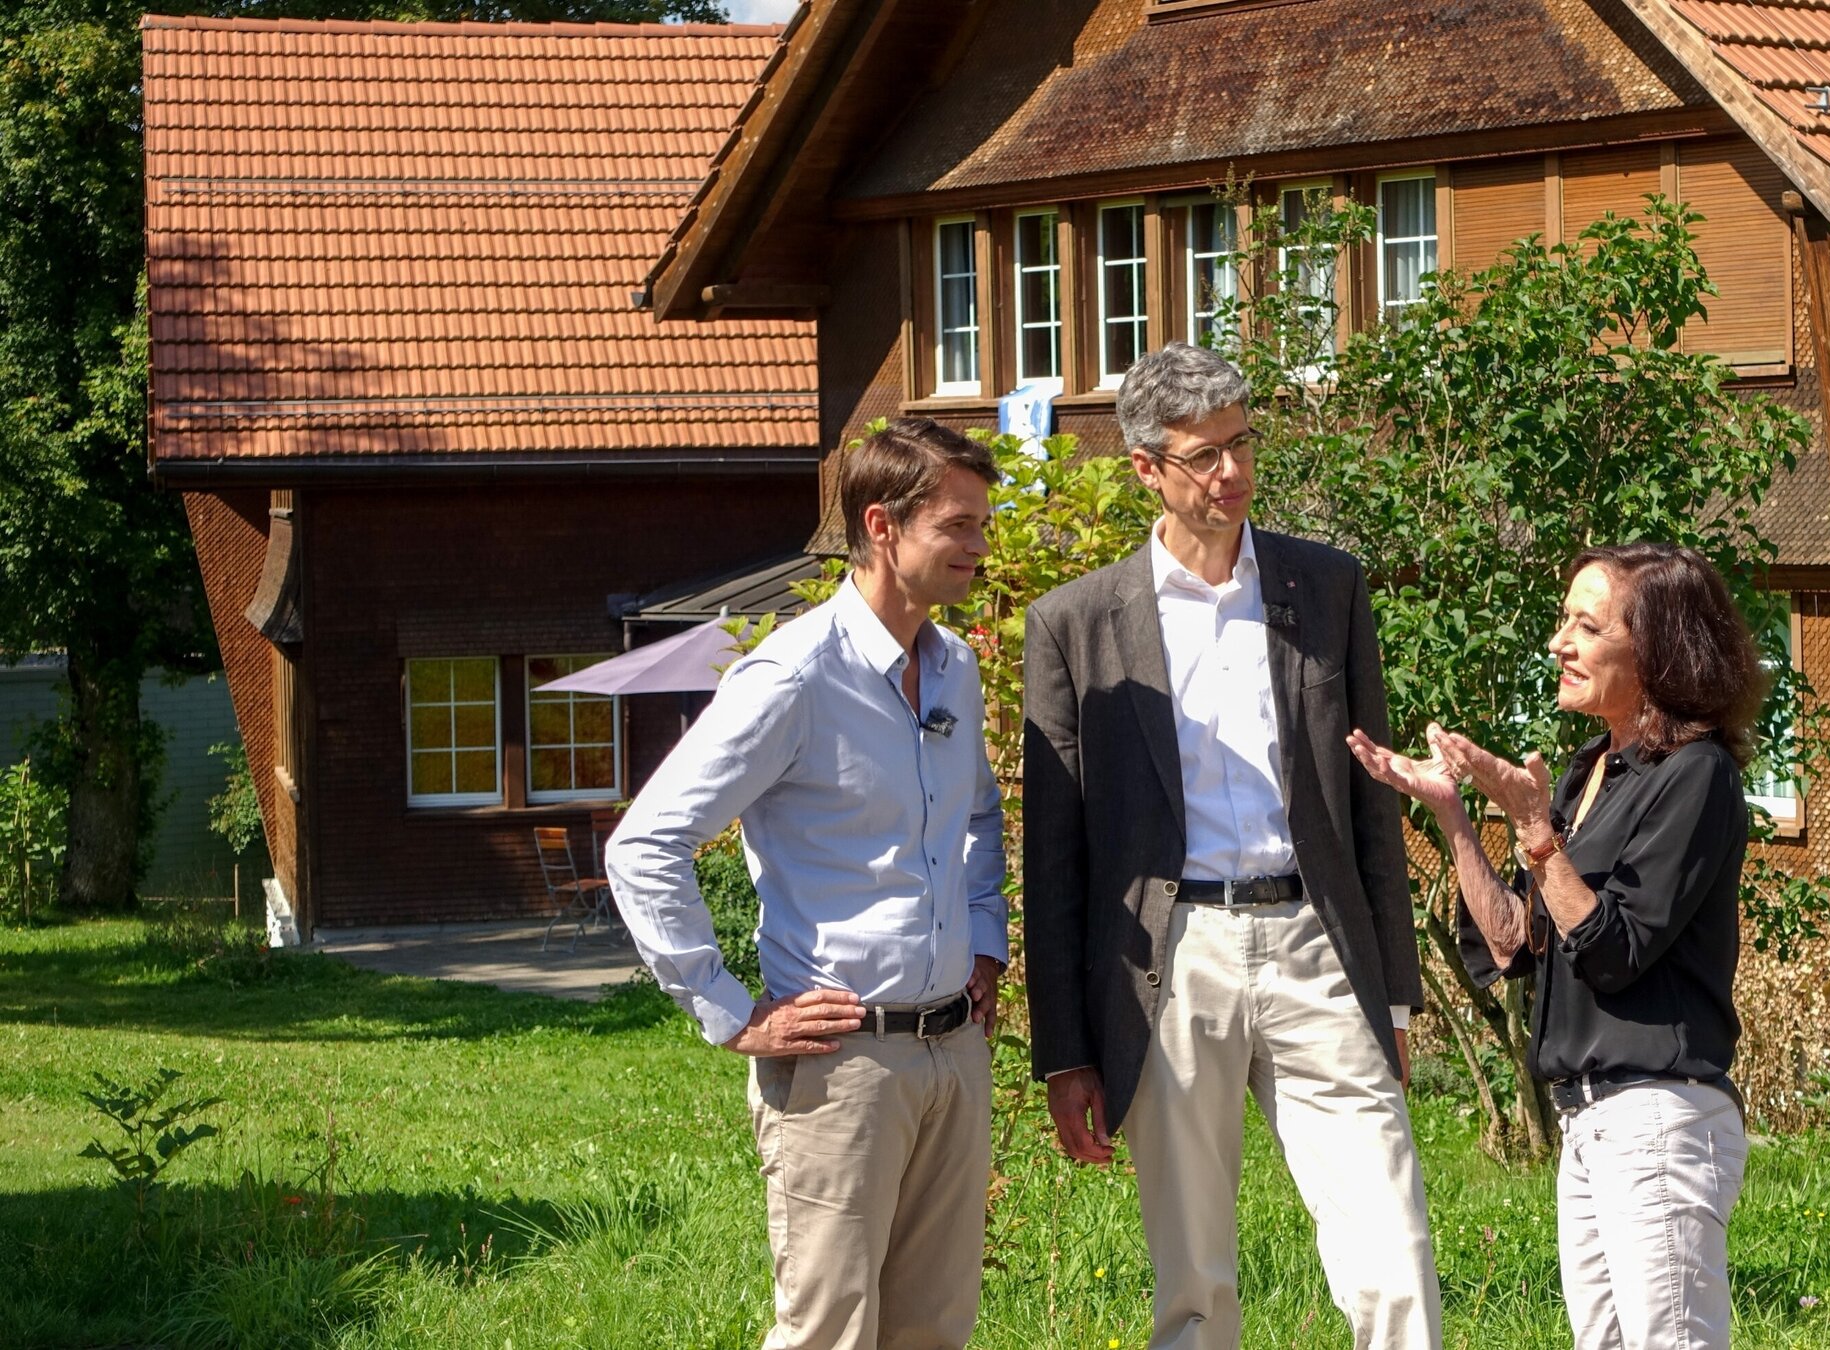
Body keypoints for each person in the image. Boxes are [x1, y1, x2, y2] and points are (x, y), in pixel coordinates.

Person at [1021, 342, 1442, 1350]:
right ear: (1146, 469)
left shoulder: (1325, 587)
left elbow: (1369, 796)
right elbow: (1057, 863)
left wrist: (1391, 987)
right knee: (1196, 1282)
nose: (1233, 473)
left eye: (1242, 444)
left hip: (1315, 943)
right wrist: (1065, 1054)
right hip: (1173, 961)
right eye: (1205, 456)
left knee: (1393, 1248)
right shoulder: (1076, 624)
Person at [606, 418, 1008, 1350]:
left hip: (956, 1050)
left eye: (982, 525)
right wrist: (729, 1010)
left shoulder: (956, 669)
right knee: (828, 1332)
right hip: (840, 1068)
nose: (980, 548)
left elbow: (980, 816)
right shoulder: (791, 678)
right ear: (882, 526)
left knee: (936, 1332)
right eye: (960, 527)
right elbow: (646, 844)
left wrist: (985, 937)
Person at [1347, 542, 1758, 1350]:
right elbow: (1515, 946)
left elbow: (1616, 949)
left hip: (1661, 1118)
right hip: (1590, 1125)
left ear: (1657, 647)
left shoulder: (1697, 776)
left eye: (1586, 624)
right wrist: (1456, 818)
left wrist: (1538, 833)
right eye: (1562, 619)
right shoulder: (1589, 772)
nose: (1558, 644)